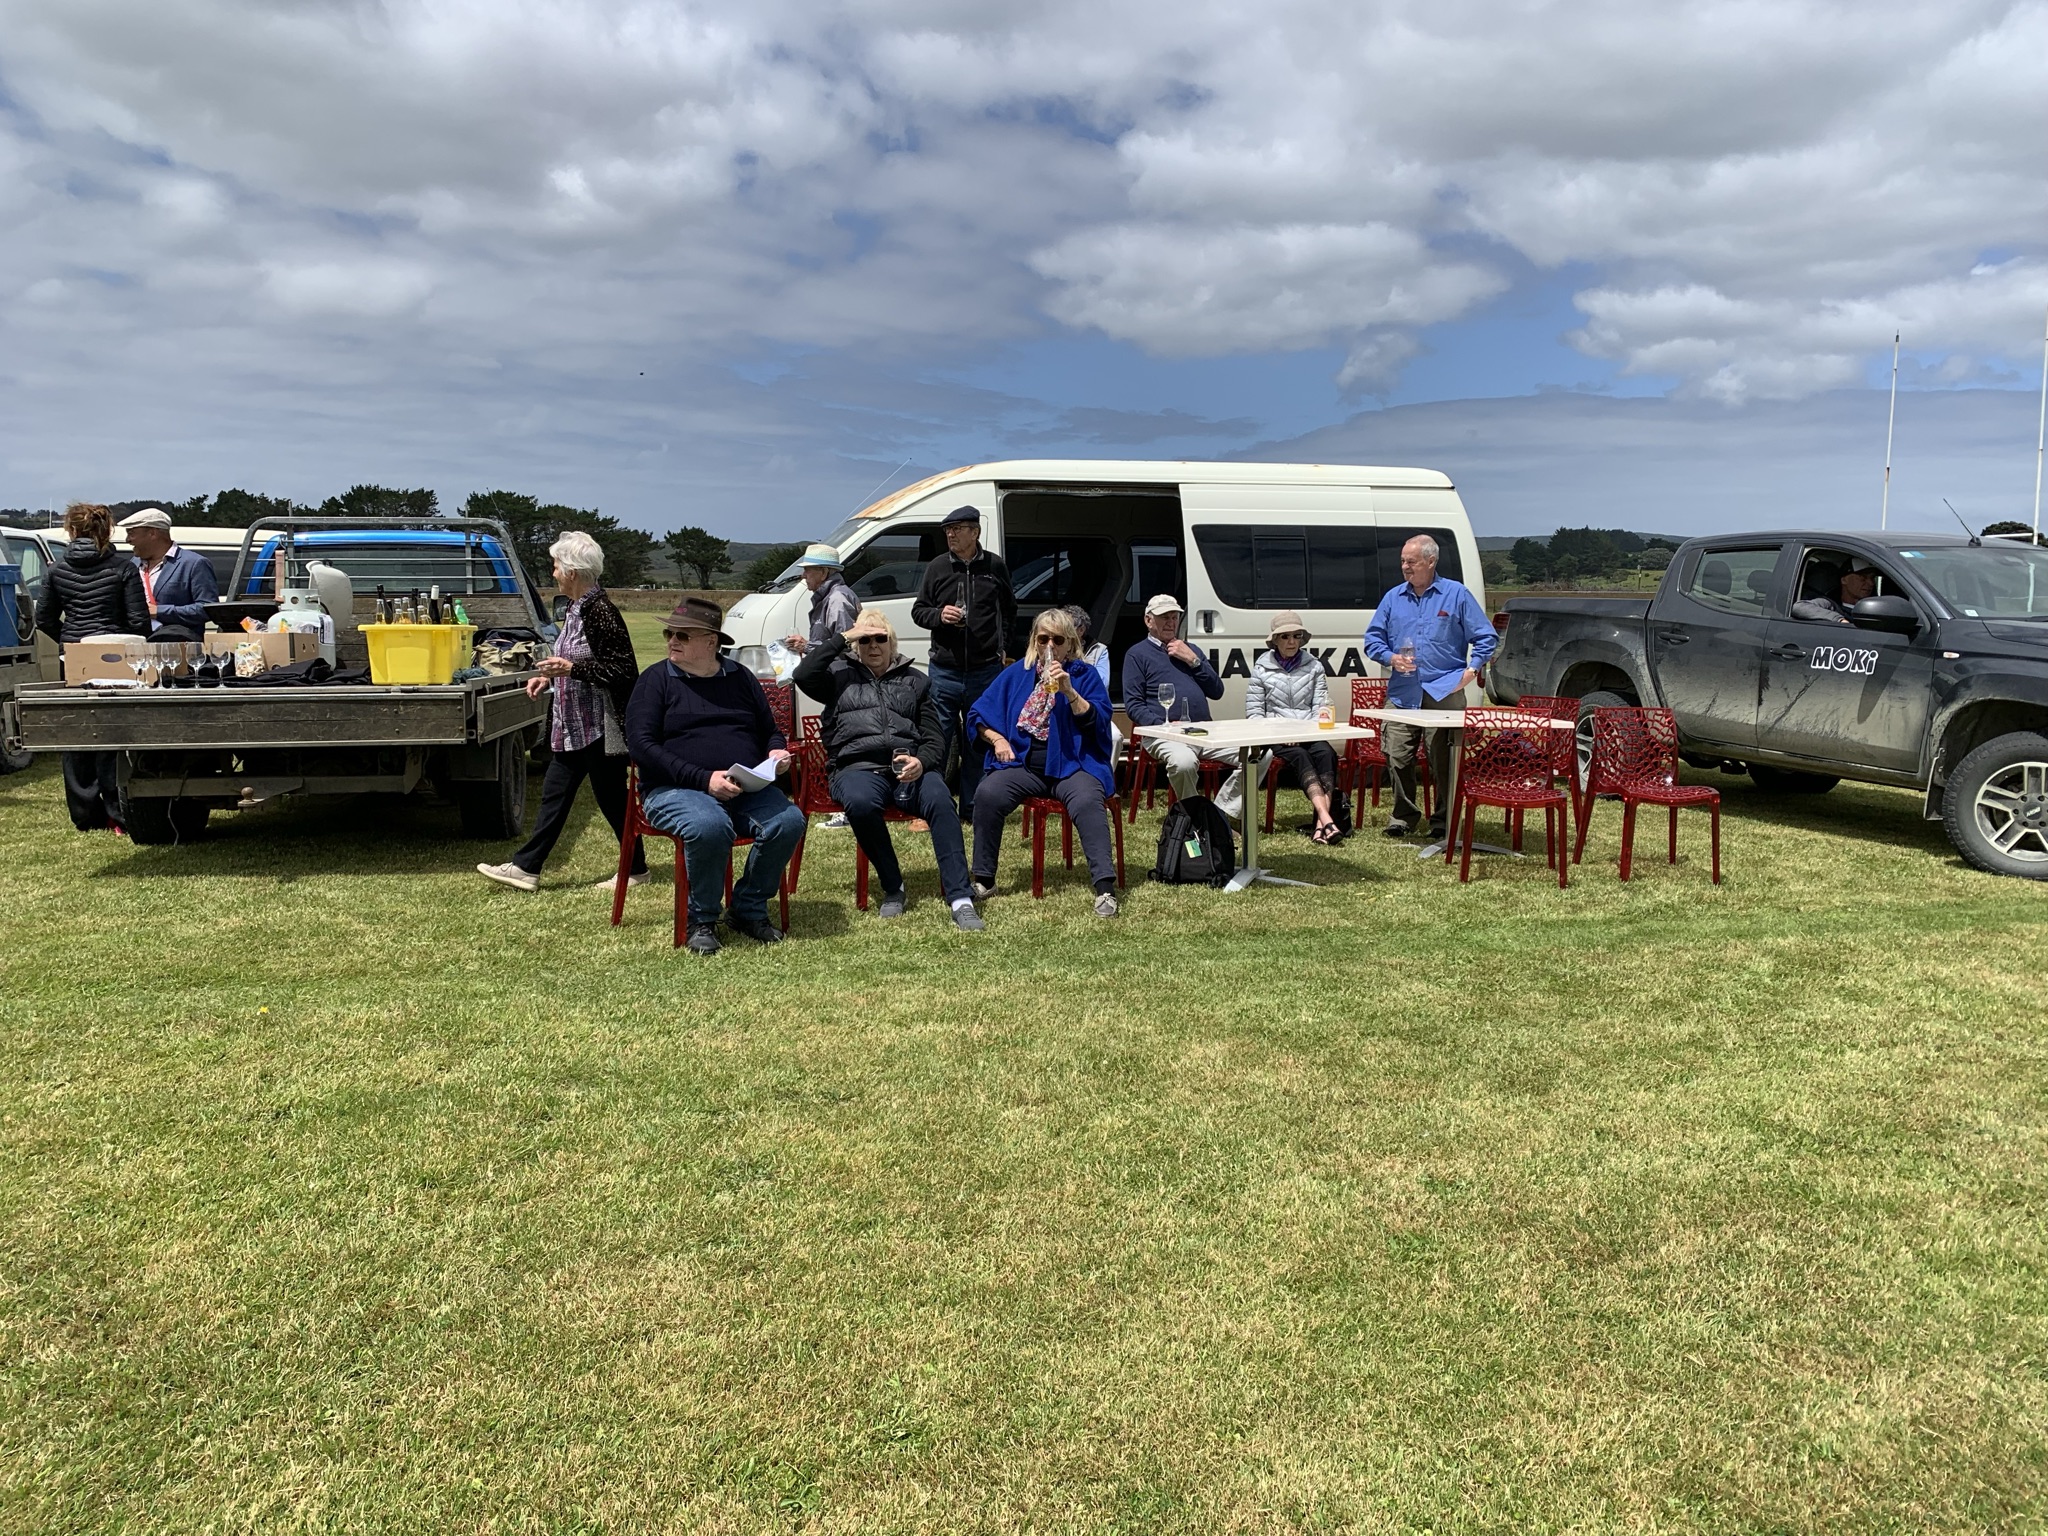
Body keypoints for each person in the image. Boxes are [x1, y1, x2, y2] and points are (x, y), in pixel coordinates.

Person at [625, 596, 806, 956]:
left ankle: (748, 908)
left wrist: (773, 752)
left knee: (789, 821)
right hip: (672, 788)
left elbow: (770, 730)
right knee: (709, 826)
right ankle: (701, 919)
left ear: (711, 642)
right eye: (669, 633)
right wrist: (703, 778)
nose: (672, 641)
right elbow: (641, 746)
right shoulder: (655, 680)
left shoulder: (740, 678)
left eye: (682, 634)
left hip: (744, 785)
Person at [793, 607, 984, 930]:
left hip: (908, 769)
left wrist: (921, 762)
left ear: (892, 643)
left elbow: (936, 737)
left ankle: (960, 897)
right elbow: (802, 675)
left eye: (880, 638)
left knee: (939, 799)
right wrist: (843, 637)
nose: (873, 646)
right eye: (864, 640)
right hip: (857, 767)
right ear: (855, 644)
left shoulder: (916, 681)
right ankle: (894, 887)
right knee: (860, 803)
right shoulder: (838, 676)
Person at [477, 530, 646, 893]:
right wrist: (548, 679)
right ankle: (529, 867)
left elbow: (622, 670)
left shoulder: (600, 610)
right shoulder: (576, 607)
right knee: (571, 795)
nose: (552, 573)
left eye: (555, 566)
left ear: (572, 571)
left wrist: (570, 670)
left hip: (598, 726)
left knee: (610, 800)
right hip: (575, 725)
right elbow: (573, 659)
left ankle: (532, 867)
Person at [967, 607, 1122, 917]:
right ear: (1034, 641)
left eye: (1058, 639)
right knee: (987, 793)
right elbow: (977, 715)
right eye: (1043, 638)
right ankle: (984, 879)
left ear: (1071, 644)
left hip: (1072, 765)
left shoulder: (1083, 675)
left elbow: (1099, 724)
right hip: (1024, 764)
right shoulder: (1016, 674)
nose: (1050, 646)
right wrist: (998, 740)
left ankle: (1105, 888)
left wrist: (1069, 692)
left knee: (1088, 801)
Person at [1363, 534, 1497, 843]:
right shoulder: (1393, 597)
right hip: (1402, 692)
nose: (1405, 567)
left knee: (1445, 760)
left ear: (1431, 562)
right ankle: (1403, 816)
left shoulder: (1456, 595)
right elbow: (1372, 640)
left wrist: (1471, 669)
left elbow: (1486, 637)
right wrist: (1390, 657)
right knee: (1396, 755)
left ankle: (1443, 820)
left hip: (1445, 690)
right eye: (1402, 562)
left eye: (1412, 562)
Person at [36, 502, 149, 832]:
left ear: (71, 530)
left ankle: (85, 815)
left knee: (77, 732)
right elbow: (139, 621)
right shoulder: (122, 568)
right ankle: (118, 811)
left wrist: (70, 643)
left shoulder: (56, 569)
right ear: (107, 529)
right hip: (116, 653)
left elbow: (44, 618)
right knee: (116, 732)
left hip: (73, 655)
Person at [910, 505, 1015, 816]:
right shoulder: (937, 567)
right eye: (947, 530)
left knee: (977, 738)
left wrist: (1004, 647)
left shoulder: (995, 566)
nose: (951, 534)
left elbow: (1009, 610)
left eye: (957, 529)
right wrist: (940, 616)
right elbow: (919, 611)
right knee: (938, 738)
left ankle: (972, 805)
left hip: (985, 669)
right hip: (945, 670)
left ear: (975, 532)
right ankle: (935, 806)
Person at [1121, 593, 1242, 820]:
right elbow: (1134, 706)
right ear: (1148, 621)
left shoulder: (1191, 649)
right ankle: (1196, 818)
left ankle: (1219, 814)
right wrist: (1163, 725)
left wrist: (1193, 660)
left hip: (1203, 732)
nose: (1170, 622)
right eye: (1163, 617)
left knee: (1260, 754)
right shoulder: (1137, 655)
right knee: (1184, 762)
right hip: (1164, 735)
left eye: (1174, 617)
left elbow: (1217, 691)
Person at [1247, 610, 1348, 845]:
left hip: (1308, 731)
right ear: (1274, 641)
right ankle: (1326, 818)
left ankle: (1320, 827)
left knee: (1326, 753)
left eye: (1296, 636)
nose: (1291, 641)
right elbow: (1254, 714)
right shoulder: (1260, 668)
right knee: (1301, 756)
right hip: (1275, 734)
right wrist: (1283, 733)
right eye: (1284, 636)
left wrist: (1303, 732)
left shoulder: (1315, 667)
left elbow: (1321, 705)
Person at [117, 508, 218, 638]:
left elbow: (207, 609)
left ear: (152, 533)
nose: (128, 540)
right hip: (137, 645)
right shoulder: (134, 563)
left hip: (177, 646)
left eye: (131, 533)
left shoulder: (194, 563)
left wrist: (158, 611)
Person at [1063, 603, 1122, 763]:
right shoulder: (1056, 647)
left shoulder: (1098, 650)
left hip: (1092, 708)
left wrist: (1079, 663)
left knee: (1115, 737)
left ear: (1081, 630)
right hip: (1062, 707)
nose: (1061, 631)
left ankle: (1105, 781)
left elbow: (1103, 683)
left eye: (1067, 626)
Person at [781, 543, 861, 654]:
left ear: (823, 572)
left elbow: (845, 646)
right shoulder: (829, 597)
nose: (803, 575)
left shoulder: (838, 600)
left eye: (807, 570)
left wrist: (806, 646)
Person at [1791, 558, 1878, 624]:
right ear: (1844, 580)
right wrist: (1838, 619)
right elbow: (1800, 607)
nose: (1871, 583)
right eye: (1862, 577)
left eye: (1872, 578)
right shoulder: (1831, 604)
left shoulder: (1877, 607)